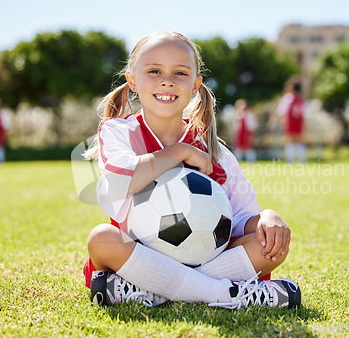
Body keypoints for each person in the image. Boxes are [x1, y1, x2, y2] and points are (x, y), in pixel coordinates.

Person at [83, 31, 301, 309]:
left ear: (196, 85)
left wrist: (266, 219)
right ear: (132, 80)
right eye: (154, 70)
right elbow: (119, 179)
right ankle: (226, 294)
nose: (167, 81)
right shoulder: (119, 132)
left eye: (180, 73)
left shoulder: (215, 151)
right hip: (137, 256)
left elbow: (240, 217)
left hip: (203, 256)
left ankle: (153, 291)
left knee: (269, 247)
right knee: (102, 239)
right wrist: (180, 152)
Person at [268, 78, 306, 163]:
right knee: (299, 141)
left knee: (290, 141)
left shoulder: (288, 98)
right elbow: (304, 114)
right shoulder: (301, 100)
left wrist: (273, 121)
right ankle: (302, 160)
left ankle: (290, 160)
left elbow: (280, 112)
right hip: (299, 123)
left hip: (291, 123)